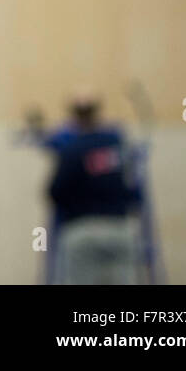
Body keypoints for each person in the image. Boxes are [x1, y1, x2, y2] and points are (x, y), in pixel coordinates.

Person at [43, 94, 143, 284]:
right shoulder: (117, 146)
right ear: (97, 114)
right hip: (118, 228)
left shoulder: (72, 149)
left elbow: (55, 191)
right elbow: (135, 190)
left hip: (82, 229)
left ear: (74, 117)